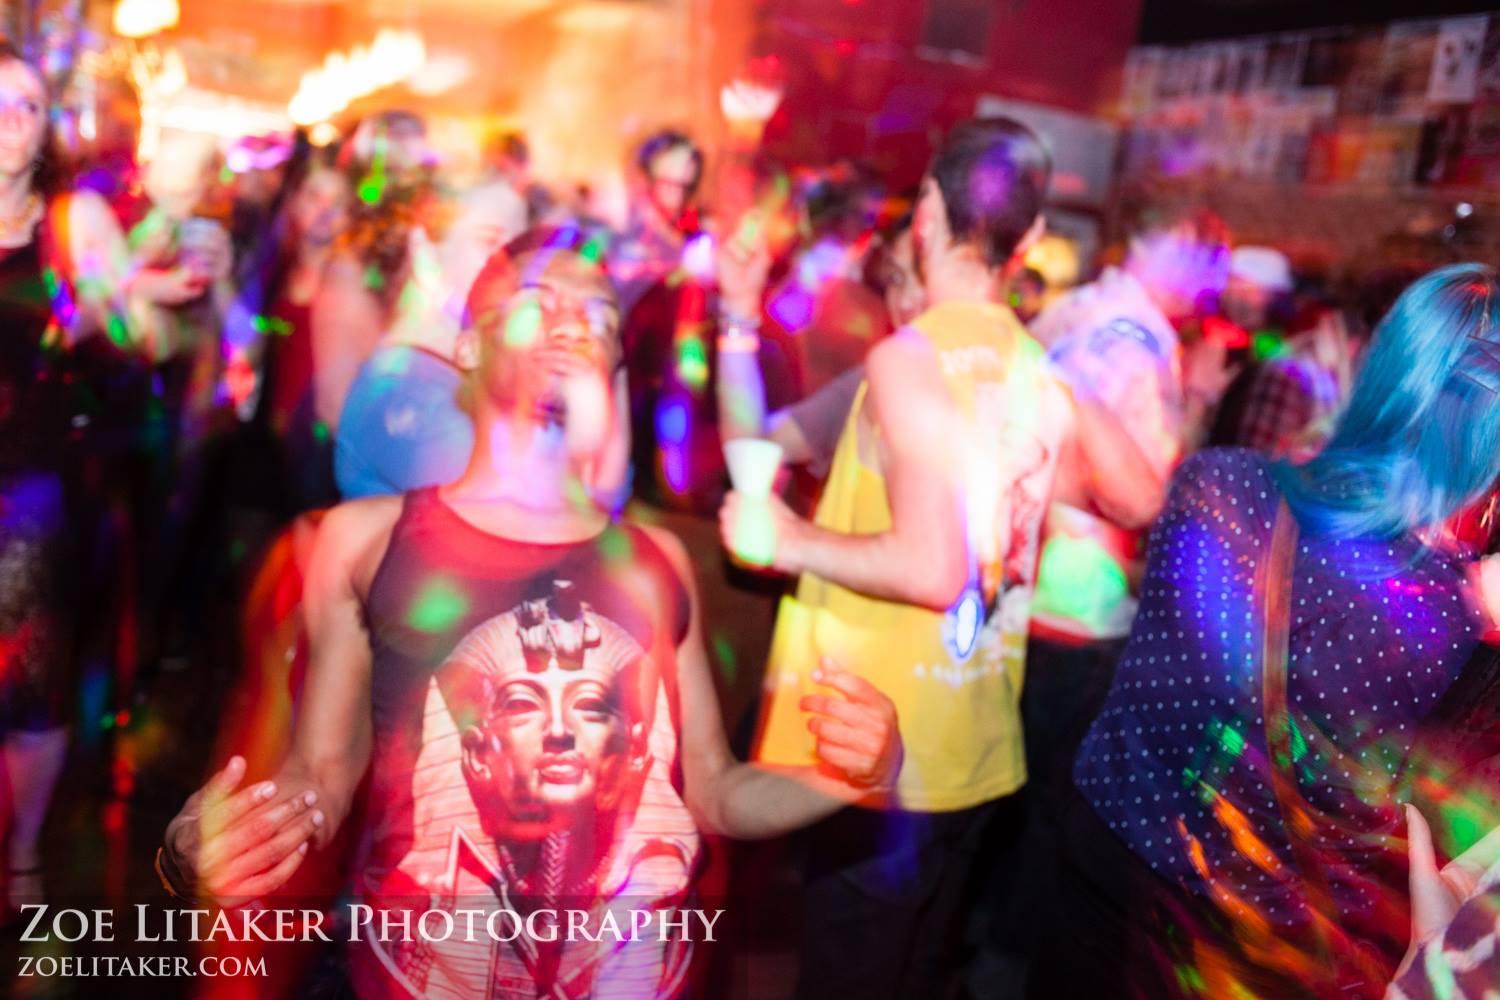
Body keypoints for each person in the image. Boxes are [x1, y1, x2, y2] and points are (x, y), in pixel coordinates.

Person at [157, 226, 901, 999]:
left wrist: (847, 776)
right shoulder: (366, 544)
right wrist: (222, 840)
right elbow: (321, 779)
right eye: (538, 303)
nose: (574, 322)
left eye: (600, 315)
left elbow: (712, 794)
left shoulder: (654, 564)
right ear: (469, 346)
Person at [1041, 264, 1500, 998]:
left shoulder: (1217, 481)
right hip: (1242, 950)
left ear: (1383, 370)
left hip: (1106, 872)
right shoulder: (1451, 619)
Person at [717, 118, 1071, 1000]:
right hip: (972, 745)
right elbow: (755, 450)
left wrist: (786, 539)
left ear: (928, 217)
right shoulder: (1031, 367)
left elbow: (931, 565)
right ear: (1030, 236)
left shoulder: (909, 366)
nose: (902, 301)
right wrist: (737, 319)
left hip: (881, 758)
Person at [974, 207, 1229, 994]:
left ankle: (972, 944)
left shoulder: (1075, 307)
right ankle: (1000, 965)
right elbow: (1145, 489)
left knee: (1002, 785)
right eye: (1210, 269)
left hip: (1021, 584)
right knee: (1047, 803)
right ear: (1177, 255)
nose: (1213, 289)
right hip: (1079, 603)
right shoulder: (1137, 342)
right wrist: (1198, 403)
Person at [0, 41, 196, 912]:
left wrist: (134, 303)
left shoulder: (72, 220)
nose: (11, 123)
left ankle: (23, 855)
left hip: (29, 494)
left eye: (27, 106)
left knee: (29, 685)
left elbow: (147, 338)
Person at [333, 179, 527, 499]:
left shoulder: (444, 372)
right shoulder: (410, 393)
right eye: (490, 240)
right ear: (425, 251)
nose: (513, 269)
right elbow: (513, 512)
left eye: (517, 249)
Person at [608, 129, 703, 315]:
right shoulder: (617, 232)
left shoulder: (695, 240)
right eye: (668, 183)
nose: (677, 195)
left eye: (684, 186)